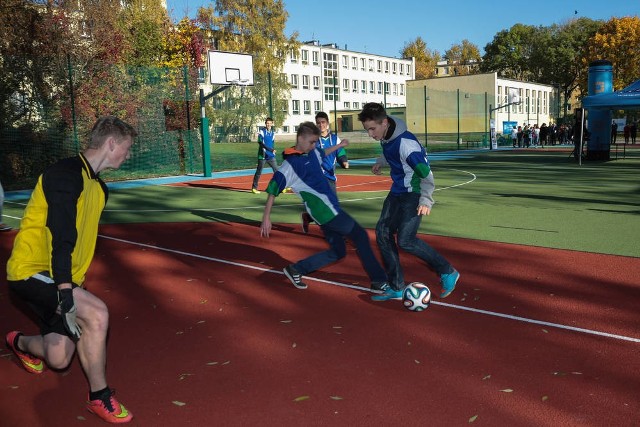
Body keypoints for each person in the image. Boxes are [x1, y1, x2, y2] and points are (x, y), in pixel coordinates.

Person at [5, 116, 136, 424]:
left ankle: (19, 342)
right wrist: (66, 290)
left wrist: (70, 284)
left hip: (62, 276)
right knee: (98, 314)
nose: (127, 155)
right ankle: (99, 397)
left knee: (59, 358)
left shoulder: (99, 188)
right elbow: (62, 233)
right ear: (111, 143)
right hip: (32, 270)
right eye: (126, 149)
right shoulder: (65, 174)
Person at [260, 121, 388, 292]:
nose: (314, 145)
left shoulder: (312, 153)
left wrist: (339, 146)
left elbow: (323, 152)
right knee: (360, 236)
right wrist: (266, 217)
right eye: (312, 142)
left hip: (327, 210)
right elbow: (273, 190)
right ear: (300, 138)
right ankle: (379, 281)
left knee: (338, 251)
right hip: (325, 211)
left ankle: (296, 269)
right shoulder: (290, 165)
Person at [357, 102, 459, 301]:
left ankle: (447, 271)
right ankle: (396, 286)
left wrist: (426, 200)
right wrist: (380, 161)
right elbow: (389, 151)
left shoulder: (407, 145)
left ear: (384, 123)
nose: (370, 134)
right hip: (397, 192)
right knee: (383, 233)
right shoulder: (386, 135)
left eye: (372, 129)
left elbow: (426, 174)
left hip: (414, 193)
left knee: (406, 240)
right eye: (367, 129)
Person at [301, 111, 349, 233]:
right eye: (318, 123)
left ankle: (308, 217)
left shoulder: (334, 139)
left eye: (323, 122)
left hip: (330, 176)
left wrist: (344, 161)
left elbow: (340, 152)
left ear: (327, 124)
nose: (321, 125)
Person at [251, 117, 278, 194]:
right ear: (265, 124)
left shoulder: (273, 133)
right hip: (262, 155)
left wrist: (272, 150)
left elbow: (272, 143)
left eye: (270, 123)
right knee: (259, 172)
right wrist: (269, 149)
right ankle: (254, 188)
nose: (268, 124)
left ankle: (280, 187)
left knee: (277, 171)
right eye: (267, 123)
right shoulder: (262, 132)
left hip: (271, 156)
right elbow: (260, 143)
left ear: (272, 124)